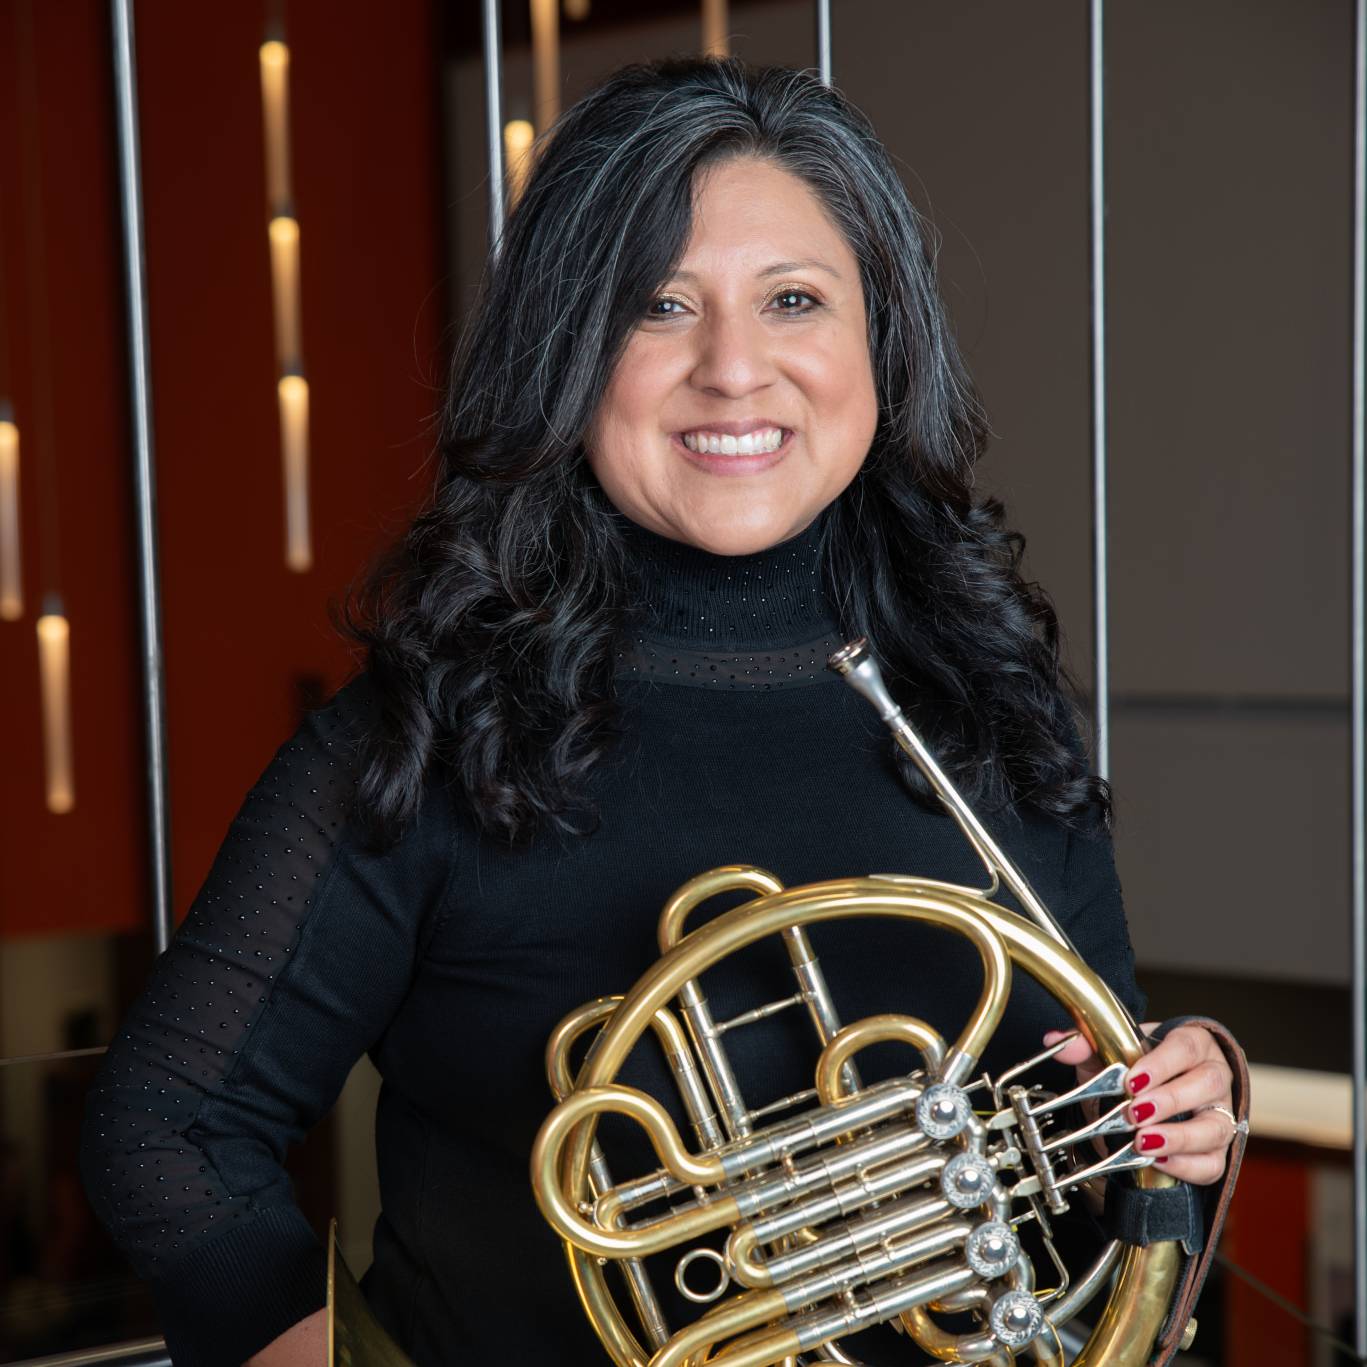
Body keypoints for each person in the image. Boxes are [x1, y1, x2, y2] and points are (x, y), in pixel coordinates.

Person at [79, 55, 1237, 1367]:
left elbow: (1126, 1191)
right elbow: (166, 1128)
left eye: (794, 300)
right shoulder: (427, 738)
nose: (734, 369)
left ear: (882, 342)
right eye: (658, 307)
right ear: (570, 354)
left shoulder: (987, 704)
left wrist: (1172, 1129)